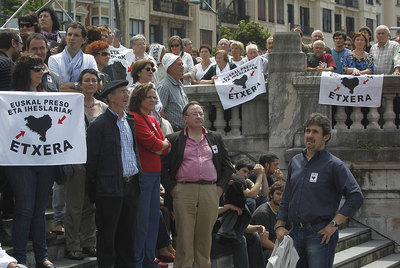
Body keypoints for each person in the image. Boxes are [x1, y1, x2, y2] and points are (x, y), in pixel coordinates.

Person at [275, 113, 364, 268]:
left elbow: (356, 196)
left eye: (315, 132)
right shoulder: (295, 162)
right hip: (294, 233)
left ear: (326, 137)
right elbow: (287, 196)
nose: (310, 135)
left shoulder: (334, 165)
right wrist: (280, 225)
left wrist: (334, 224)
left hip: (320, 235)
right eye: (307, 131)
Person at [161, 101, 233, 268]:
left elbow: (227, 165)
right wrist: (172, 189)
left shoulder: (214, 138)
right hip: (183, 190)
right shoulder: (174, 139)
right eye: (194, 113)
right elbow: (163, 167)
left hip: (211, 190)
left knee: (205, 238)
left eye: (201, 113)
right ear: (185, 118)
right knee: (184, 237)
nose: (199, 116)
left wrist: (220, 189)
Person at [5, 54, 57, 268]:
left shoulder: (49, 94)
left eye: (42, 67)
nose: (41, 71)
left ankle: (42, 256)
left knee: (39, 210)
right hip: (19, 160)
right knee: (25, 208)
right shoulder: (10, 97)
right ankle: (19, 258)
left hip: (45, 159)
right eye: (36, 67)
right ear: (24, 71)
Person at [86, 79, 142, 268]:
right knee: (108, 237)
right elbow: (91, 163)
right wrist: (102, 185)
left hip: (131, 186)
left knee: (127, 236)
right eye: (121, 92)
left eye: (127, 91)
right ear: (110, 97)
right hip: (109, 189)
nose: (127, 95)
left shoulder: (129, 121)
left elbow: (133, 152)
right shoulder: (99, 125)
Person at [64, 69, 106, 260]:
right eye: (86, 80)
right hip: (77, 160)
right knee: (75, 205)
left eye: (93, 81)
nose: (90, 84)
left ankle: (89, 242)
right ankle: (72, 244)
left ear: (98, 85)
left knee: (91, 205)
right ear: (79, 84)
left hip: (97, 163)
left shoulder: (104, 107)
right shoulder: (71, 105)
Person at [129, 83, 171, 268]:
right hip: (144, 174)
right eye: (149, 97)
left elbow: (166, 147)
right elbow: (155, 145)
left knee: (154, 218)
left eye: (154, 97)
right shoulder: (134, 117)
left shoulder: (153, 120)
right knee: (142, 220)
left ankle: (149, 258)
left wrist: (160, 146)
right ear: (139, 98)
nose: (153, 100)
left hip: (156, 174)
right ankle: (138, 261)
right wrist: (160, 146)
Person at [48, 22, 98, 92]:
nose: (72, 38)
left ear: (84, 40)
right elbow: (56, 86)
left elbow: (94, 84)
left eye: (76, 35)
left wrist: (64, 86)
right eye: (69, 34)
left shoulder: (90, 59)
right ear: (65, 38)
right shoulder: (54, 59)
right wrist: (80, 86)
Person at [251, 181, 286, 262]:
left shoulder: (283, 211)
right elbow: (263, 242)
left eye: (283, 195)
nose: (281, 197)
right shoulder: (263, 212)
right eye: (278, 194)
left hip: (276, 244)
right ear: (271, 195)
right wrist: (282, 250)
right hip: (262, 251)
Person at [157, 53, 188, 131]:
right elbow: (160, 111)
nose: (182, 67)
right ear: (169, 68)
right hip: (173, 131)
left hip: (183, 130)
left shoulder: (180, 84)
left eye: (182, 64)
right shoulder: (164, 86)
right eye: (179, 64)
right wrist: (168, 130)